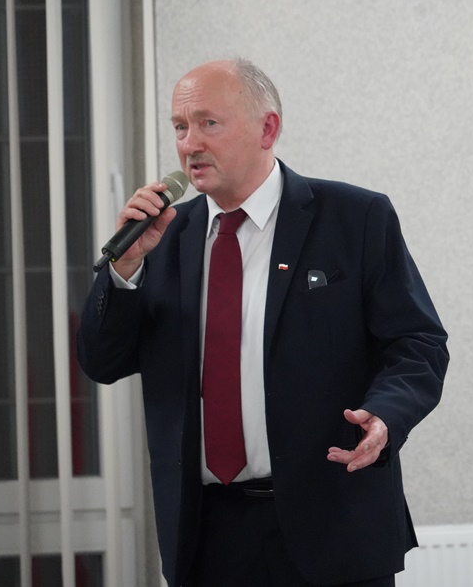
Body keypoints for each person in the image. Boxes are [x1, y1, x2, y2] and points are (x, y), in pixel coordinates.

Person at [77, 58, 448, 587]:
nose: (189, 144)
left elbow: (418, 342)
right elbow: (102, 362)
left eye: (208, 123)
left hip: (333, 526)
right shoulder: (162, 237)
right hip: (206, 536)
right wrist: (125, 269)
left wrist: (387, 415)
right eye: (179, 127)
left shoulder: (354, 217)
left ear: (267, 128)